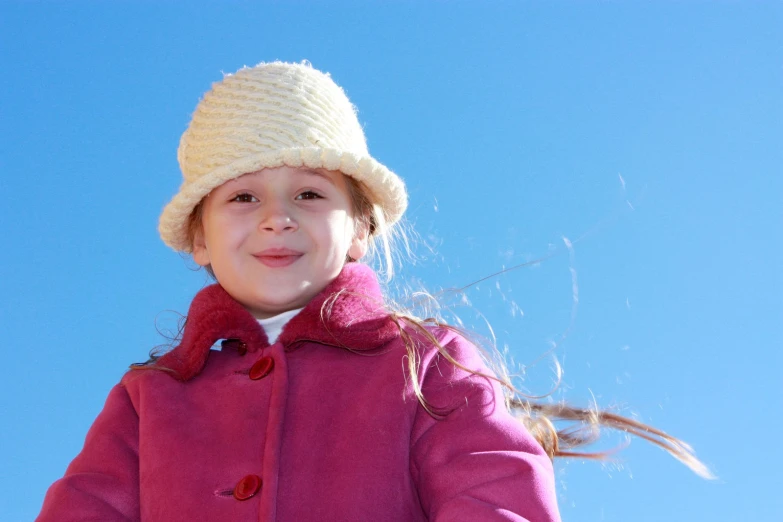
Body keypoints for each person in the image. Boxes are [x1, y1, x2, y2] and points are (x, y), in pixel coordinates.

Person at [37, 61, 706, 522]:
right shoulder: (148, 397)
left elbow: (496, 498)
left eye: (309, 194)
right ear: (200, 241)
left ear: (360, 228)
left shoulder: (425, 363)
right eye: (242, 196)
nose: (277, 216)